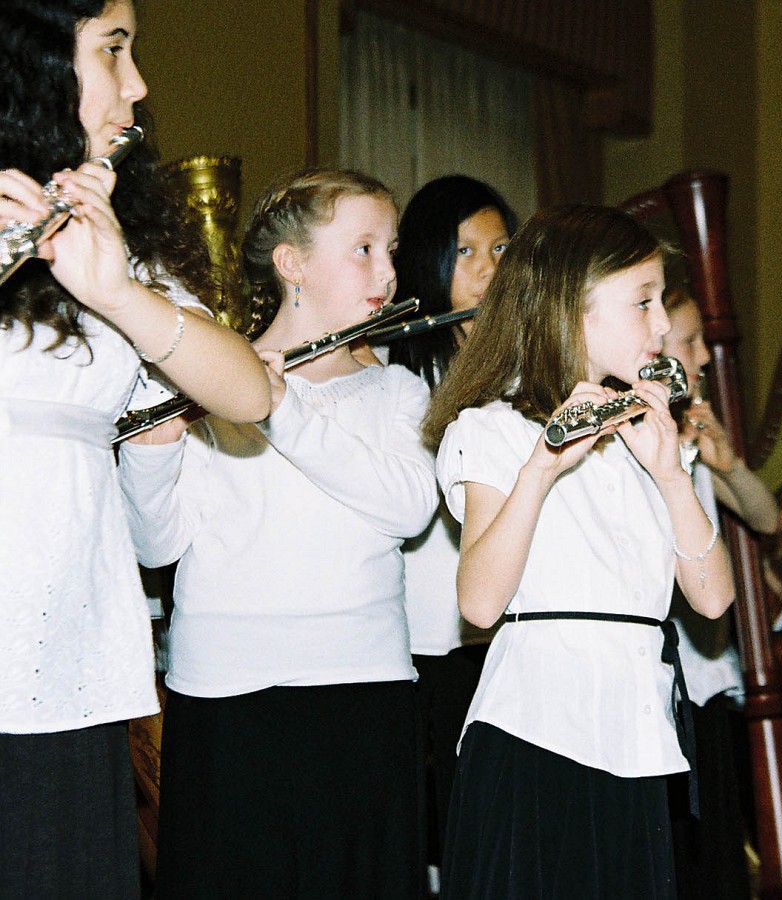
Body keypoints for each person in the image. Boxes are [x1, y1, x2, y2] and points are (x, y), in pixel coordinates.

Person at [0, 2, 271, 896]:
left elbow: (248, 391)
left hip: (74, 651)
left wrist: (118, 292)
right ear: (33, 62)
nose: (139, 84)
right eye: (112, 50)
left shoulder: (107, 228)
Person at [117, 168, 439, 899]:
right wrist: (150, 450)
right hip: (227, 701)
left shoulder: (395, 389)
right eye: (363, 249)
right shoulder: (207, 372)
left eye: (391, 249)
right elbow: (156, 547)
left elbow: (408, 507)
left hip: (361, 695)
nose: (387, 272)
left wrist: (281, 408)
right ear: (291, 263)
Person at [423, 204, 736, 899]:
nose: (661, 325)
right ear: (573, 307)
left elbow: (713, 597)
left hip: (633, 733)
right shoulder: (494, 429)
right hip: (536, 736)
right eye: (642, 301)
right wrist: (541, 466)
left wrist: (669, 473)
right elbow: (478, 601)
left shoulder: (645, 435)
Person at [385, 175, 516, 889]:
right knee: (442, 813)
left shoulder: (529, 365)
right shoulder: (403, 369)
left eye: (500, 248)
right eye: (466, 251)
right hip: (428, 628)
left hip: (507, 622)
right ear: (431, 263)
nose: (489, 269)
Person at [659, 285, 774, 899]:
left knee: (719, 853)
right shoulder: (650, 443)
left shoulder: (698, 431)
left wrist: (727, 465)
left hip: (709, 676)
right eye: (690, 341)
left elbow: (768, 517)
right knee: (686, 858)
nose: (705, 354)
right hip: (666, 680)